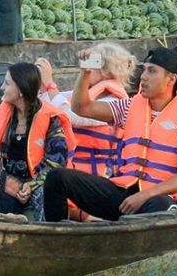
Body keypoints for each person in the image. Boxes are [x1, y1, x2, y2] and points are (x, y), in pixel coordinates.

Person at [39, 47, 177, 221]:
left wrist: (145, 195)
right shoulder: (129, 107)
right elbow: (82, 108)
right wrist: (86, 72)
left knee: (161, 206)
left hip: (159, 199)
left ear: (171, 79)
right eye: (144, 70)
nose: (143, 77)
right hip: (123, 194)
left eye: (152, 71)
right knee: (57, 178)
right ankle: (58, 239)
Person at [0, 62, 74, 219]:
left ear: (21, 89)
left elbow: (56, 163)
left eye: (7, 83)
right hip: (1, 182)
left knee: (47, 195)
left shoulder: (50, 120)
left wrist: (30, 186)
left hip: (35, 185)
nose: (1, 87)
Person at [34, 44, 136, 181]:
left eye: (91, 63)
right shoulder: (86, 94)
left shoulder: (114, 103)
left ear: (105, 70)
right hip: (73, 168)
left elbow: (69, 116)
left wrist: (50, 83)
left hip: (97, 176)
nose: (85, 69)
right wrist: (42, 87)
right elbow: (47, 103)